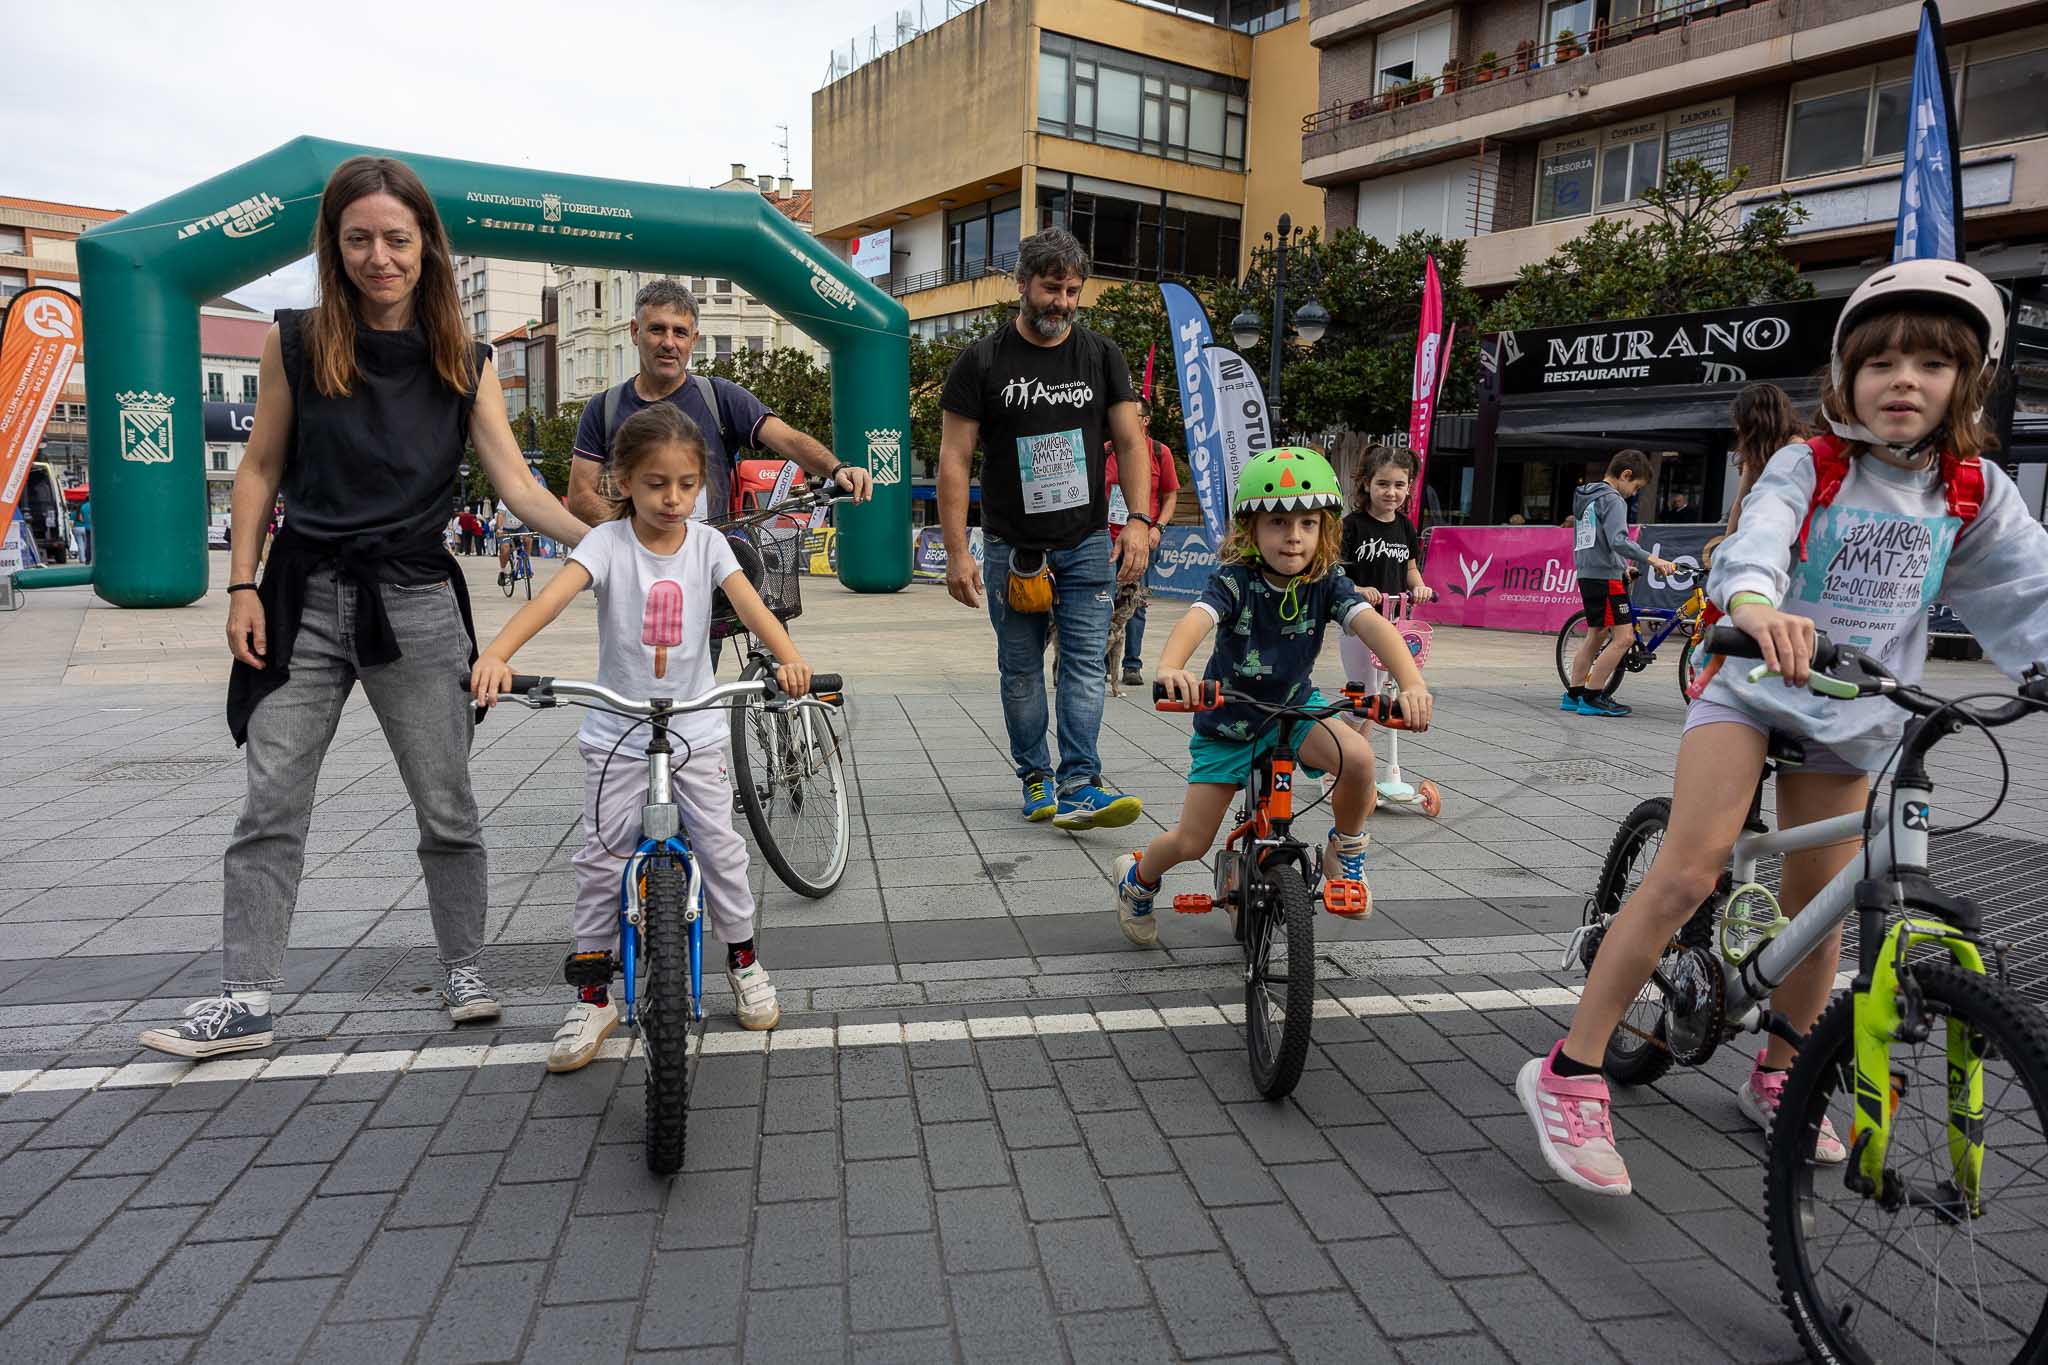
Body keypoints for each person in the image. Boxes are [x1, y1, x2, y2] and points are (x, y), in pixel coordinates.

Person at [1519, 259, 2048, 1199]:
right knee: (1690, 867)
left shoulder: (1971, 489)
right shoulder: (1814, 463)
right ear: (1845, 377)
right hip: (1752, 682)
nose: (1904, 381)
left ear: (1966, 381)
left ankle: (1782, 1072)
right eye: (1881, 362)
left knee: (1826, 906)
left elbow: (2027, 589)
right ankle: (1571, 1068)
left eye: (1931, 364)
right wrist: (1758, 604)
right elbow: (1756, 537)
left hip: (1859, 708)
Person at [139, 155, 588, 1059]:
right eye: (359, 240)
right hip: (301, 595)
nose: (379, 257)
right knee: (270, 802)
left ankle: (465, 968)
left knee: (446, 803)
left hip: (416, 600)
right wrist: (240, 585)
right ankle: (247, 997)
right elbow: (259, 467)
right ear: (335, 246)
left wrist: (605, 541)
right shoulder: (296, 341)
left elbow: (514, 482)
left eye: (396, 238)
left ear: (426, 244)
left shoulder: (466, 359)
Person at [472, 403, 811, 1058]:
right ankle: (593, 998)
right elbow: (551, 597)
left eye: (687, 484)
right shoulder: (605, 543)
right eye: (656, 483)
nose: (674, 498)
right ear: (623, 480)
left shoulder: (710, 544)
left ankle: (743, 963)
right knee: (600, 858)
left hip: (697, 725)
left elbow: (748, 603)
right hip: (616, 730)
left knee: (720, 847)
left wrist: (790, 659)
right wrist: (497, 654)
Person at [1111, 448, 1432, 945]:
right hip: (1228, 723)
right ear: (1250, 530)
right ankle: (1137, 879)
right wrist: (1173, 667)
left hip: (1293, 712)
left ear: (1324, 529)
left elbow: (1374, 627)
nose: (1294, 536)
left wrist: (1411, 684)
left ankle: (1346, 850)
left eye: (1307, 522)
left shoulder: (1326, 582)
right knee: (1192, 841)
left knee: (1359, 759)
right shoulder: (1235, 580)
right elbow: (1197, 619)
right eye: (1278, 521)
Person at [938, 227, 1152, 830]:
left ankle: (1081, 782)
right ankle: (1035, 775)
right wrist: (959, 551)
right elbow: (955, 459)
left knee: (1086, 662)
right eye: (1052, 288)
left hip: (1086, 541)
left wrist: (1136, 520)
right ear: (1023, 284)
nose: (1062, 302)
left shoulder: (1101, 354)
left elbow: (1131, 441)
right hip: (1013, 547)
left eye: (1073, 291)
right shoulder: (980, 362)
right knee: (1022, 667)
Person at [566, 279, 869, 527]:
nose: (669, 343)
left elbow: (787, 438)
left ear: (693, 340)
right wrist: (641, 535)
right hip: (632, 575)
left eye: (680, 332)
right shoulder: (603, 407)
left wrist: (837, 468)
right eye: (657, 329)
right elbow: (580, 495)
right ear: (635, 332)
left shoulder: (720, 397)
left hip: (708, 571)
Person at [1561, 451, 1679, 718]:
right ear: (1626, 475)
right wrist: (1653, 559)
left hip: (1588, 574)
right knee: (1623, 638)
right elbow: (1618, 540)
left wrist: (1622, 567)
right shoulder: (1613, 500)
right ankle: (1593, 697)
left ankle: (1574, 693)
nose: (1633, 493)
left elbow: (1598, 540)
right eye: (1635, 487)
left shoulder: (1587, 496)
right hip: (1605, 579)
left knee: (1596, 635)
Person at [1336, 444, 1435, 726]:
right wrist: (1357, 590)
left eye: (1399, 485)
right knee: (1364, 695)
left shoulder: (1405, 526)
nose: (1391, 492)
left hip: (1395, 621)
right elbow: (1334, 574)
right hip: (1358, 621)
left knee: (1376, 697)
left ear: (1408, 488)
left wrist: (1420, 587)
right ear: (1366, 484)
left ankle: (1356, 761)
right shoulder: (1352, 525)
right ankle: (1338, 755)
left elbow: (1411, 568)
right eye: (1382, 484)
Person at [1103, 399, 1180, 686]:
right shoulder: (1107, 450)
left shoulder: (1160, 452)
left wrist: (1158, 527)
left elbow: (1170, 495)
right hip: (1107, 540)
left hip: (1141, 542)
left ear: (1145, 420)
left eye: (1130, 414)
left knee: (1135, 603)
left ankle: (1131, 665)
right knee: (1103, 601)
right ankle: (1100, 664)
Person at [1720, 381, 1806, 546]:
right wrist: (1726, 546)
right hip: (1763, 536)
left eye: (1741, 420)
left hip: (1788, 542)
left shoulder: (1796, 448)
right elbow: (1740, 501)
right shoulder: (1757, 452)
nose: (1737, 427)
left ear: (1757, 420)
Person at [495, 494, 527, 586]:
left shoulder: (525, 497)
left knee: (528, 539)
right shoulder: (505, 497)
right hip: (505, 528)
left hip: (520, 526)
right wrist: (500, 529)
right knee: (505, 548)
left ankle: (525, 561)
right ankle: (502, 571)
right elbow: (500, 515)